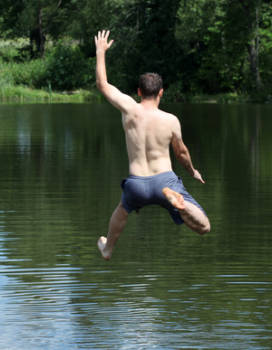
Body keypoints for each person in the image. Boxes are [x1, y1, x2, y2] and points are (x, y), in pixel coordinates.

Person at [94, 30, 210, 260]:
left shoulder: (129, 109)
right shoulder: (170, 120)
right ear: (161, 93)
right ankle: (181, 207)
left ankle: (107, 249)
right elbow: (182, 153)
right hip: (164, 181)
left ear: (138, 92)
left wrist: (100, 52)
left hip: (136, 183)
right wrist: (192, 171)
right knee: (204, 227)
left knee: (122, 209)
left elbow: (103, 84)